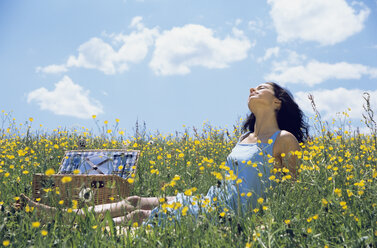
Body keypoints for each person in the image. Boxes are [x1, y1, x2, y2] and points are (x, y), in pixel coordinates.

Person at [21, 82, 309, 226]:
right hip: (213, 199)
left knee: (140, 215)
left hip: (230, 213)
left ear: (277, 102)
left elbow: (290, 192)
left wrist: (262, 223)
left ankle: (74, 227)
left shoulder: (284, 140)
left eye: (260, 88)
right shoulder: (244, 138)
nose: (251, 89)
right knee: (134, 201)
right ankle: (63, 217)